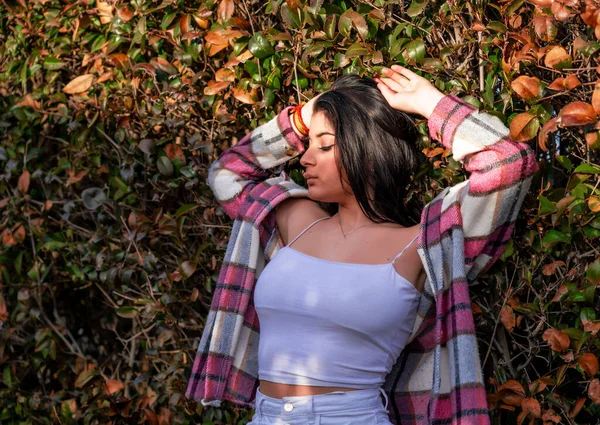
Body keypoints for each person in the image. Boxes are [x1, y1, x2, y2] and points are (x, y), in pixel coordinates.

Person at [186, 65, 538, 425]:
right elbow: (228, 174)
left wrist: (430, 103)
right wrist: (304, 118)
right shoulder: (297, 222)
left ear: (369, 153)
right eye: (308, 144)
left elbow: (508, 162)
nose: (305, 158)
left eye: (324, 145)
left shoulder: (421, 245)